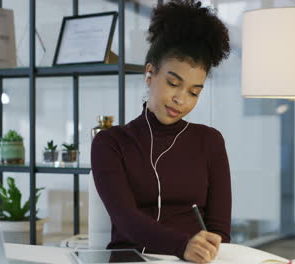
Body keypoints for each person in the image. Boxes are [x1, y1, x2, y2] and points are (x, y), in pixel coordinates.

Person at [90, 0, 231, 263]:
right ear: (150, 74)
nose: (181, 99)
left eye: (193, 92)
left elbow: (220, 229)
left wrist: (200, 249)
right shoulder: (110, 143)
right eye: (173, 83)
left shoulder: (210, 142)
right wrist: (182, 244)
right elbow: (125, 219)